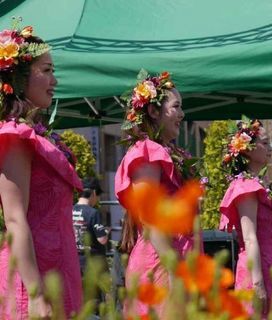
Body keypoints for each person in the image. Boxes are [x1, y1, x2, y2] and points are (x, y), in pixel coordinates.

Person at [0, 22, 82, 319]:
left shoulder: (34, 135)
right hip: (32, 281)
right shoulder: (15, 136)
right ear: (19, 77)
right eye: (46, 70)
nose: (55, 80)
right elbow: (14, 218)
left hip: (58, 273)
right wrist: (35, 295)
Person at [114, 70, 198, 318]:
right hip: (160, 265)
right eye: (176, 107)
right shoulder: (147, 152)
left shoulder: (165, 151)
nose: (182, 115)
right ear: (153, 111)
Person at [219, 117, 272, 317]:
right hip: (257, 271)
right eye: (265, 143)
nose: (270, 147)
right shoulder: (246, 187)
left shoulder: (259, 184)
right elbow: (249, 237)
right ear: (247, 148)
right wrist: (257, 283)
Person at [73, 176, 109, 275]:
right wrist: (106, 231)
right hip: (92, 265)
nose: (97, 199)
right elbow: (102, 239)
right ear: (93, 193)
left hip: (74, 263)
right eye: (98, 196)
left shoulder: (69, 210)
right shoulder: (93, 213)